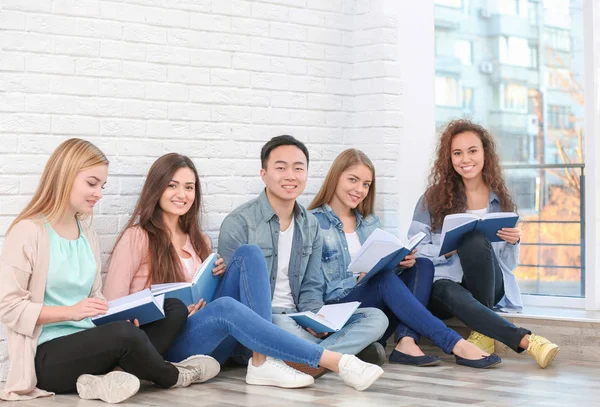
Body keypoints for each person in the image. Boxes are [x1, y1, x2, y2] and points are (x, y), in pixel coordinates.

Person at [104, 152, 384, 391]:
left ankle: (261, 360)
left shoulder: (198, 239)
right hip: (169, 343)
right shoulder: (137, 237)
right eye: (173, 186)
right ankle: (334, 361)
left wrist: (220, 277)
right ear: (156, 189)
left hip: (209, 336)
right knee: (227, 307)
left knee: (249, 253)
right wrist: (167, 312)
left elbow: (210, 300)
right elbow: (113, 310)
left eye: (189, 187)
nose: (182, 194)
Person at [0, 139, 219, 403]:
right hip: (48, 355)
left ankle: (112, 378)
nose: (99, 194)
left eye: (101, 186)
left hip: (91, 340)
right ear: (64, 177)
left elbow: (97, 298)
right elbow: (8, 307)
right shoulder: (28, 230)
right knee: (124, 335)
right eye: (92, 184)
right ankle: (175, 375)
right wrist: (71, 312)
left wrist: (125, 315)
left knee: (172, 307)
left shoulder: (86, 235)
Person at [308, 148, 501, 368]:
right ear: (335, 178)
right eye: (353, 180)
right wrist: (319, 317)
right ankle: (455, 344)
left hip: (372, 304)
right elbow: (309, 283)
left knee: (422, 265)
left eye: (366, 184)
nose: (359, 189)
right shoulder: (313, 223)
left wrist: (399, 264)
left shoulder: (370, 222)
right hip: (338, 307)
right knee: (383, 281)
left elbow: (379, 272)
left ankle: (406, 341)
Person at [218, 136, 390, 376]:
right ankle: (339, 355)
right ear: (263, 174)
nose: (291, 175)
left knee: (376, 318)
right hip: (265, 320)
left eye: (298, 168)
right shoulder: (239, 223)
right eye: (281, 168)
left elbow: (311, 286)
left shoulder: (310, 225)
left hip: (300, 317)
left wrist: (316, 320)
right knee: (280, 325)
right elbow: (231, 298)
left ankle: (311, 360)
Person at [409, 119, 560, 368]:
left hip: (490, 286)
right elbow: (415, 248)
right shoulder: (431, 198)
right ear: (449, 158)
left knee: (475, 239)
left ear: (485, 154)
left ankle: (484, 331)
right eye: (457, 153)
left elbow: (509, 265)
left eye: (472, 151)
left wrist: (515, 241)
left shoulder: (499, 200)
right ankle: (525, 340)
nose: (465, 159)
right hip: (443, 287)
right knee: (447, 281)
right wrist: (448, 251)